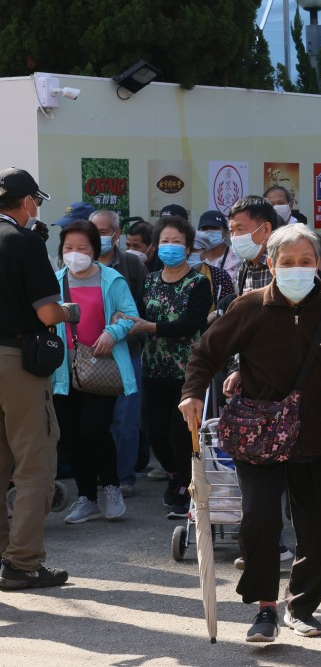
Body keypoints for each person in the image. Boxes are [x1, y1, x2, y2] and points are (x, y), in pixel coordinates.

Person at [180, 223, 321, 641]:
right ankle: (265, 609)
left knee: (319, 530)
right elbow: (204, 355)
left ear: (318, 264)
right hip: (258, 438)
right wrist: (192, 394)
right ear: (271, 264)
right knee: (259, 519)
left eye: (306, 261)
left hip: (318, 437)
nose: (297, 268)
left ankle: (302, 606)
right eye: (288, 262)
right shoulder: (248, 307)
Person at [0, 167, 75, 590]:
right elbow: (48, 313)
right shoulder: (24, 242)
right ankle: (22, 562)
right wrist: (71, 312)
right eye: (36, 202)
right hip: (17, 362)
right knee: (34, 466)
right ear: (27, 202)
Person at [52, 220, 138, 524]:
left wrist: (113, 332)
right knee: (71, 434)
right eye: (68, 248)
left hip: (101, 366)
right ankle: (86, 497)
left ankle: (111, 487)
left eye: (82, 248)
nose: (74, 254)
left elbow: (131, 316)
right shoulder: (56, 280)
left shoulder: (112, 279)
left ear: (95, 248)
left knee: (95, 428)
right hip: (64, 370)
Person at [128, 215, 212, 518]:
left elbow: (191, 324)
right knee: (156, 433)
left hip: (187, 372)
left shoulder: (198, 282)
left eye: (177, 242)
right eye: (165, 241)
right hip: (153, 368)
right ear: (155, 246)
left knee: (181, 432)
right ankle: (176, 475)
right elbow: (136, 315)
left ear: (188, 247)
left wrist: (148, 326)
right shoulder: (149, 280)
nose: (171, 247)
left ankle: (188, 486)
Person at [88, 209, 147, 495]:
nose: (97, 237)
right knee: (96, 420)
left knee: (126, 419)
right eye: (93, 231)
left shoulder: (133, 266)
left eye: (102, 231)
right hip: (90, 354)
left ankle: (123, 477)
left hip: (127, 351)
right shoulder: (77, 265)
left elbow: (141, 309)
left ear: (116, 234)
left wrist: (122, 324)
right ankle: (100, 475)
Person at [228, 196, 278, 296]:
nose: (234, 237)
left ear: (266, 230)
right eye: (231, 231)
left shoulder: (280, 264)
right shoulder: (243, 269)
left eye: (240, 229)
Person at [196, 209, 238, 281]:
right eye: (205, 228)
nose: (209, 231)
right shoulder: (194, 257)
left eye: (214, 228)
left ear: (225, 231)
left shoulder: (237, 256)